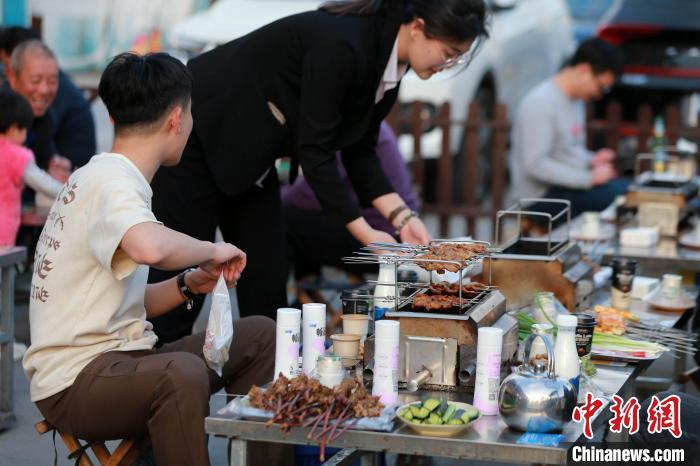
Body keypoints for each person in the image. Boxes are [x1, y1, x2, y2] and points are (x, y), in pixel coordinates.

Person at [149, 0, 490, 343]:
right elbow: (317, 154)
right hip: (199, 137)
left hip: (252, 158)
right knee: (181, 286)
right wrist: (366, 234)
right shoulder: (346, 45)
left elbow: (360, 150)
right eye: (449, 53)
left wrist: (402, 219)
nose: (447, 65)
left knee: (267, 284)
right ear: (417, 27)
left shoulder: (389, 63)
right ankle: (156, 368)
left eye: (457, 59)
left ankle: (263, 374)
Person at [22, 52, 277, 466]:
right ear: (177, 119)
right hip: (74, 381)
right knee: (181, 374)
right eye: (190, 114)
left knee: (262, 336)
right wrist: (213, 249)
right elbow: (150, 248)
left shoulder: (108, 179)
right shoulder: (112, 183)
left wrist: (187, 284)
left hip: (125, 362)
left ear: (113, 118)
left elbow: (119, 302)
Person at [283, 121, 420, 280]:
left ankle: (300, 287)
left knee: (286, 217)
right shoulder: (374, 125)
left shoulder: (351, 129)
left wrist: (278, 194)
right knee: (301, 217)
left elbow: (312, 193)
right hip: (396, 231)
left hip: (383, 237)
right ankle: (309, 287)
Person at [509, 38, 628, 218]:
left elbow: (567, 151)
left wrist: (592, 159)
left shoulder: (574, 100)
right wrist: (588, 178)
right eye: (601, 87)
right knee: (623, 195)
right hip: (538, 199)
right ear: (584, 71)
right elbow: (535, 164)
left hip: (562, 189)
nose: (599, 95)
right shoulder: (541, 103)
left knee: (627, 190)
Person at [0, 27, 97, 168]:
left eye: (52, 81)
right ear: (12, 77)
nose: (44, 90)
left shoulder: (46, 117)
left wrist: (56, 166)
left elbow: (45, 161)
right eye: (36, 80)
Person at [0, 88, 63, 246]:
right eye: (24, 130)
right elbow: (43, 183)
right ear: (14, 128)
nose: (25, 135)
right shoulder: (17, 156)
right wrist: (67, 192)